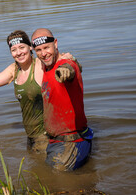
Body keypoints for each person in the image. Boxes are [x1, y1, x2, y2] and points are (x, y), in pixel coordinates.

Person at [0, 30, 79, 153]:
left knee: (43, 170)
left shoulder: (40, 64)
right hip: (31, 135)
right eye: (14, 50)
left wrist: (69, 59)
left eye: (21, 47)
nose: (18, 53)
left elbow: (62, 61)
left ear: (30, 47)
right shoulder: (14, 69)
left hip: (46, 135)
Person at [31, 28, 93, 171]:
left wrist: (66, 69)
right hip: (55, 140)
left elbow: (69, 68)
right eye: (39, 50)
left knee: (58, 177)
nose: (43, 53)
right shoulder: (46, 66)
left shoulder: (66, 63)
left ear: (56, 43)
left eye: (46, 47)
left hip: (73, 142)